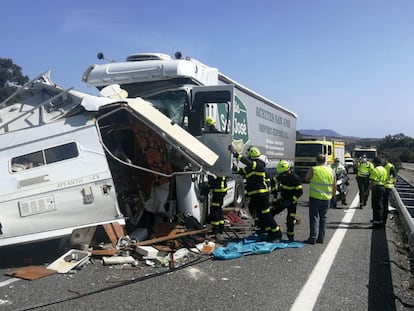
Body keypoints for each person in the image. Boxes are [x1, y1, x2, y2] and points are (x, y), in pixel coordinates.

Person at [229, 145, 282, 242]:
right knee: (256, 212)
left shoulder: (258, 165)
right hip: (255, 195)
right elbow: (241, 171)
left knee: (266, 215)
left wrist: (236, 154)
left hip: (262, 195)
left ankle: (276, 234)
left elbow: (248, 162)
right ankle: (263, 230)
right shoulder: (251, 167)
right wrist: (233, 166)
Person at [304, 154, 336, 244]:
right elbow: (334, 185)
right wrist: (333, 196)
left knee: (314, 217)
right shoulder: (331, 171)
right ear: (325, 161)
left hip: (315, 197)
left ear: (316, 160)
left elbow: (306, 178)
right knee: (324, 218)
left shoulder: (314, 169)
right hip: (326, 198)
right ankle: (321, 237)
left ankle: (312, 237)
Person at [271, 160, 303, 241]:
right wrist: (274, 194)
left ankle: (290, 237)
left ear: (287, 170)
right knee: (271, 213)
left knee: (290, 220)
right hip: (283, 199)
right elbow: (273, 180)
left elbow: (300, 192)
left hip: (292, 202)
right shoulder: (282, 176)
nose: (282, 175)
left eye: (283, 173)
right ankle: (273, 232)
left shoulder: (295, 178)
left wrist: (291, 201)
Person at [365, 157, 387, 229]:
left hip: (377, 188)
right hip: (383, 187)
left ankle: (376, 223)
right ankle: (381, 222)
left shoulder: (375, 170)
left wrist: (367, 190)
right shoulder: (384, 169)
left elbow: (372, 182)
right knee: (380, 206)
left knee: (376, 206)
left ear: (375, 163)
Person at [383, 158, 397, 225]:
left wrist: (391, 183)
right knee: (382, 204)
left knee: (385, 204)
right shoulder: (384, 166)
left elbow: (395, 177)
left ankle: (384, 220)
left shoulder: (391, 167)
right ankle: (381, 218)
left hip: (388, 187)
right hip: (383, 186)